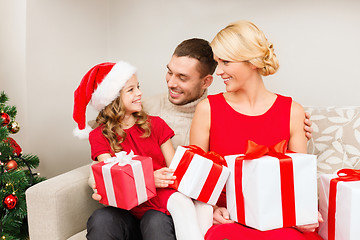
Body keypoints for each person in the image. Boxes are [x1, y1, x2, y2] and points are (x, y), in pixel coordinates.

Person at [85, 38, 314, 239]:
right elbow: (106, 160)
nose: (171, 83)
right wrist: (103, 178)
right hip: (130, 207)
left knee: (156, 221)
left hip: (162, 208)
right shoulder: (145, 108)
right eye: (169, 72)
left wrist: (295, 124)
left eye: (182, 77)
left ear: (206, 81)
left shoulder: (212, 111)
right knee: (103, 220)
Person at [189, 20, 323, 240]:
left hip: (280, 221)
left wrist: (304, 215)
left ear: (252, 61)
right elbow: (197, 180)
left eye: (226, 62)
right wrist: (211, 210)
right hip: (231, 219)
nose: (219, 71)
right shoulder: (208, 109)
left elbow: (298, 183)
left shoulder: (293, 111)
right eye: (217, 62)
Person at [73, 61, 212, 240]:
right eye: (130, 90)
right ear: (112, 98)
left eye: (138, 87)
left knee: (156, 222)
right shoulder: (99, 136)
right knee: (101, 219)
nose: (139, 93)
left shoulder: (156, 125)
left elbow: (174, 171)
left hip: (157, 209)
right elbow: (114, 178)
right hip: (126, 210)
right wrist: (149, 179)